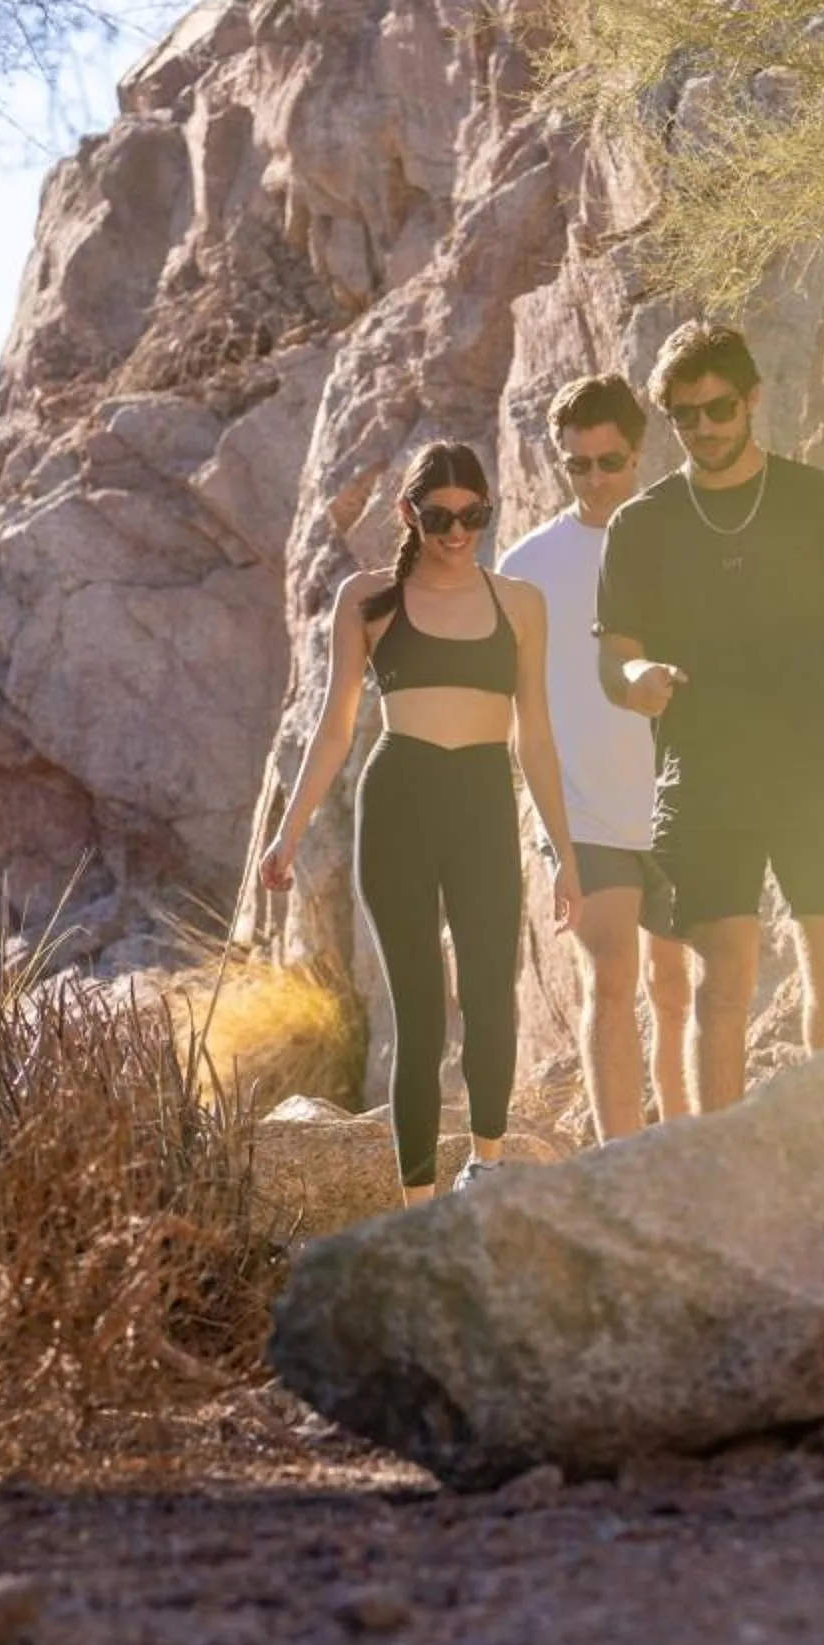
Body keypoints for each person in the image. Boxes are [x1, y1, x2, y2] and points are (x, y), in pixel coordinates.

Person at [594, 321, 824, 1113]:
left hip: (822, 770)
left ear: (752, 399)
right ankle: (721, 1180)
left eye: (717, 408)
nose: (704, 428)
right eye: (684, 415)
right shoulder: (640, 526)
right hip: (705, 775)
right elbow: (614, 658)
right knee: (723, 984)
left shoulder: (822, 505)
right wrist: (636, 677)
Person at [257, 442, 584, 1201]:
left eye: (474, 515)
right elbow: (336, 727)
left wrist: (565, 852)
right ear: (409, 513)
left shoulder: (520, 604)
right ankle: (416, 1201)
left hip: (482, 800)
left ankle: (488, 1165)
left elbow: (534, 734)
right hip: (399, 798)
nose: (457, 531)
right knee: (418, 1014)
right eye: (439, 517)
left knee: (490, 992)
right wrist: (289, 830)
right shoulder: (368, 600)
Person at [497, 373, 696, 1140]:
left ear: (639, 453)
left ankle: (684, 1145)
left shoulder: (686, 541)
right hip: (584, 812)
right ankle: (622, 1160)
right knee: (609, 978)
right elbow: (522, 711)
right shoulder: (526, 567)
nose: (596, 479)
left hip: (681, 800)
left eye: (609, 461)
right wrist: (550, 837)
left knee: (674, 984)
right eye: (578, 465)